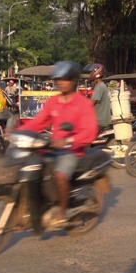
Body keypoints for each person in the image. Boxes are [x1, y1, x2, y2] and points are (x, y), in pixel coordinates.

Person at [17, 61, 97, 227]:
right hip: (52, 148)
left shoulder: (83, 104)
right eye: (58, 79)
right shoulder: (53, 102)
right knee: (30, 167)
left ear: (73, 80)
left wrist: (69, 140)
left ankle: (62, 210)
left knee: (60, 175)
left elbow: (89, 132)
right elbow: (39, 122)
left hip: (73, 151)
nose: (60, 82)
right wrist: (19, 131)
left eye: (64, 79)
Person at [84, 63, 111, 129]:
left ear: (96, 73)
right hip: (102, 119)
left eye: (90, 73)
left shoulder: (99, 87)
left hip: (99, 121)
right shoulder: (101, 85)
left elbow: (91, 103)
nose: (89, 75)